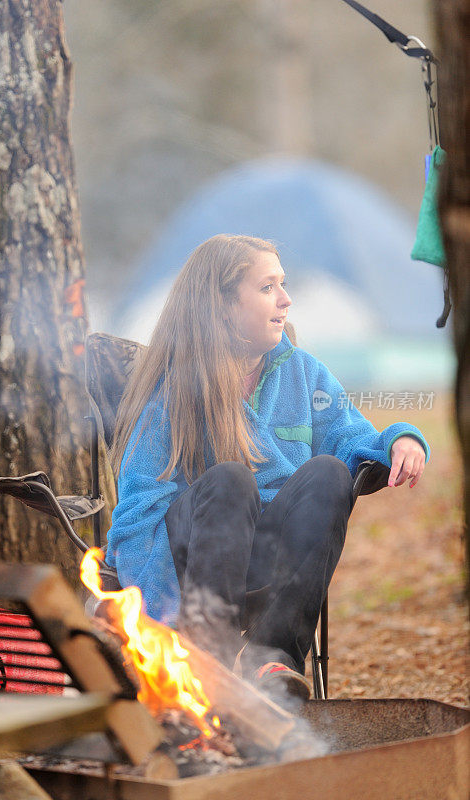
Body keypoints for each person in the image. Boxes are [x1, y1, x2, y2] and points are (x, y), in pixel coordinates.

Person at [106, 234, 429, 700]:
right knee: (232, 479)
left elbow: (351, 436)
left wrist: (399, 438)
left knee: (329, 471)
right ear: (222, 305)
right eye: (266, 287)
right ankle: (209, 660)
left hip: (275, 558)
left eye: (283, 284)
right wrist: (159, 617)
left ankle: (273, 658)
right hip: (198, 564)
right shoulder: (177, 392)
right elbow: (140, 506)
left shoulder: (303, 373)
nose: (286, 299)